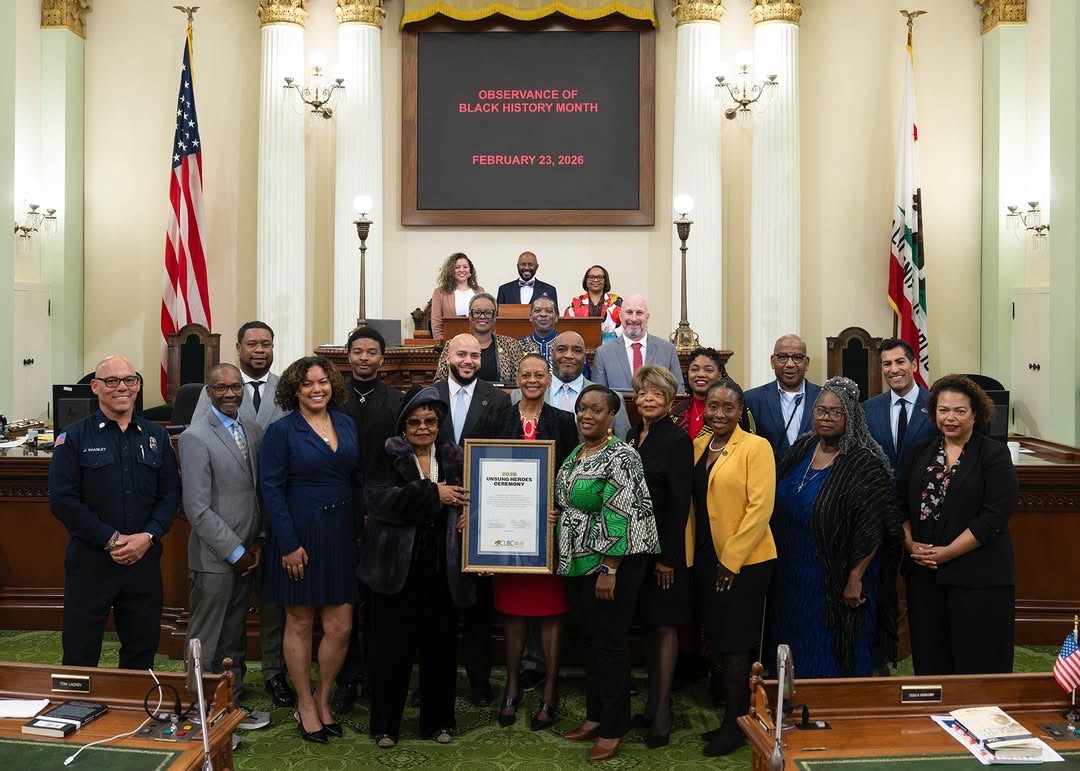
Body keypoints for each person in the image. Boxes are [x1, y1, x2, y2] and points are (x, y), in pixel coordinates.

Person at [361, 386, 476, 747]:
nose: (423, 428)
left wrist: (469, 516)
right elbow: (381, 502)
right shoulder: (386, 454)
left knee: (440, 648)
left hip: (443, 566)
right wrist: (432, 494)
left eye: (430, 421)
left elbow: (474, 498)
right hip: (395, 566)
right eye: (415, 422)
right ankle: (385, 725)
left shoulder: (456, 456)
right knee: (390, 650)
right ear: (403, 426)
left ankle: (438, 722)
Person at [768, 377, 903, 681]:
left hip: (836, 578)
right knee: (791, 643)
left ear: (851, 416)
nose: (825, 418)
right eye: (820, 411)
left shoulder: (864, 462)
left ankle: (834, 707)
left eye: (835, 412)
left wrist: (855, 578)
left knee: (830, 649)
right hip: (791, 573)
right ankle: (789, 701)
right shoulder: (801, 448)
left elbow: (874, 527)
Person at [49, 356, 178, 670]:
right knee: (80, 653)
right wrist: (111, 540)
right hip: (92, 561)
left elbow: (170, 497)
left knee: (141, 650)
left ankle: (133, 716)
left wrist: (147, 537)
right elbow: (63, 501)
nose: (122, 387)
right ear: (95, 387)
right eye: (112, 381)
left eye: (129, 380)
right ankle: (77, 712)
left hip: (143, 561)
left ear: (137, 386)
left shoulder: (157, 437)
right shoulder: (73, 437)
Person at [260, 356, 364, 743]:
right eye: (307, 384)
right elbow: (270, 490)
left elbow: (357, 480)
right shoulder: (281, 431)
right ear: (295, 390)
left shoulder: (346, 424)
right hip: (299, 535)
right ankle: (304, 704)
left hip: (341, 536)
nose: (316, 389)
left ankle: (323, 698)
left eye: (322, 382)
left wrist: (360, 531)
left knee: (341, 625)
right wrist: (287, 544)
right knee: (300, 622)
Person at [190, 320, 293, 709]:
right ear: (238, 348)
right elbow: (200, 442)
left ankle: (274, 673)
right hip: (225, 532)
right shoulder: (215, 389)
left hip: (269, 523)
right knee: (223, 622)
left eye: (266, 343)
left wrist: (266, 532)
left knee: (273, 609)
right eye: (252, 344)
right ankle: (225, 688)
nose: (260, 350)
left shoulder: (285, 388)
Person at [556, 385, 658, 763]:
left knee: (611, 645)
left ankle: (614, 727)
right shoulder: (580, 451)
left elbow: (623, 512)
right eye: (582, 408)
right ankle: (595, 716)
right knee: (590, 642)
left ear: (611, 415)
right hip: (579, 561)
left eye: (595, 410)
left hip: (611, 563)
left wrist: (609, 568)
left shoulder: (622, 455)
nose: (586, 415)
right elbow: (570, 499)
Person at [901, 374, 1018, 676]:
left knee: (977, 664)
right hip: (925, 577)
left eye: (959, 411)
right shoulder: (919, 451)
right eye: (943, 410)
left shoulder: (993, 454)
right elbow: (899, 503)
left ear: (976, 414)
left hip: (978, 578)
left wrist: (948, 553)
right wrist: (909, 542)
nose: (950, 417)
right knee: (931, 663)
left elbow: (994, 516)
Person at [179, 363, 269, 730]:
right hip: (216, 556)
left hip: (249, 550)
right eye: (221, 388)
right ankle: (200, 711)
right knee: (207, 637)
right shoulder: (195, 437)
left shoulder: (253, 429)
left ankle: (229, 705)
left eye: (236, 387)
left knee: (234, 635)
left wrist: (259, 540)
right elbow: (197, 509)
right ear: (209, 392)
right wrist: (235, 551)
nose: (231, 393)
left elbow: (257, 492)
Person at [491, 354, 578, 732]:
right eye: (525, 374)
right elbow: (482, 467)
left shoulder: (564, 420)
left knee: (550, 613)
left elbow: (575, 471)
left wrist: (560, 508)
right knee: (513, 611)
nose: (531, 380)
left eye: (538, 374)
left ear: (548, 378)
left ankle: (549, 690)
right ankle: (511, 685)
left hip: (549, 534)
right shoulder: (500, 419)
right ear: (515, 378)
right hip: (508, 532)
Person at [690, 378, 776, 756]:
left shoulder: (756, 447)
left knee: (738, 644)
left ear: (741, 411)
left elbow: (760, 509)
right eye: (713, 406)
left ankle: (736, 725)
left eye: (728, 407)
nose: (719, 414)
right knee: (720, 642)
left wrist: (732, 561)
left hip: (744, 561)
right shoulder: (697, 445)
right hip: (707, 557)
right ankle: (732, 717)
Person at [433, 333, 511, 705]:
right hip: (432, 517)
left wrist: (477, 511)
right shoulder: (427, 395)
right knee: (437, 606)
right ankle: (437, 682)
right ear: (449, 355)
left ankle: (479, 681)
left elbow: (502, 461)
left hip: (478, 519)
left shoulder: (497, 399)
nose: (468, 360)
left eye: (475, 355)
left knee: (479, 607)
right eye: (462, 353)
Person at [332, 326, 403, 714]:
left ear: (382, 357)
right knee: (344, 602)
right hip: (338, 507)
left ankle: (377, 677)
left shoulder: (396, 400)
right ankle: (347, 676)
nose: (364, 358)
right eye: (357, 352)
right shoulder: (332, 397)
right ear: (348, 355)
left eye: (371, 352)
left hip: (383, 510)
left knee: (378, 601)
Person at [625, 366, 693, 749]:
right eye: (643, 393)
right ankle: (651, 702)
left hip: (665, 553)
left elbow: (681, 502)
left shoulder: (676, 439)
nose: (648, 399)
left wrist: (669, 557)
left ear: (670, 401)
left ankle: (664, 710)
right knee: (648, 625)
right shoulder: (635, 436)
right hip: (637, 550)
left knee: (665, 626)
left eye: (656, 393)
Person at [537, 331, 630, 440]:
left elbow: (624, 444)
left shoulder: (613, 399)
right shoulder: (521, 396)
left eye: (577, 351)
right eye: (562, 349)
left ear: (584, 357)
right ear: (552, 354)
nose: (568, 356)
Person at [864, 337, 937, 478]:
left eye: (900, 362)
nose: (894, 369)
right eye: (887, 364)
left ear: (914, 365)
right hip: (881, 494)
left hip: (923, 494)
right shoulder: (869, 408)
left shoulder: (935, 405)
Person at [744, 334, 821, 462]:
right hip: (769, 478)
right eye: (783, 357)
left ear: (806, 363)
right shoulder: (751, 400)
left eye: (797, 357)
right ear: (772, 361)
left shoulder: (824, 397)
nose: (790, 364)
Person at [434, 293, 534, 384]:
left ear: (495, 317)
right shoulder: (453, 344)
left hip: (500, 402)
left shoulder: (510, 344)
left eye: (488, 312)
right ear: (470, 316)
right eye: (477, 312)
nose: (482, 316)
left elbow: (520, 382)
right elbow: (439, 382)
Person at [592, 294, 685, 392]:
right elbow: (598, 396)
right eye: (629, 312)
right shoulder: (603, 353)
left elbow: (678, 392)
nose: (633, 318)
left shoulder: (667, 350)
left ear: (647, 317)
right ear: (620, 316)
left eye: (639, 313)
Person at [672, 347, 725, 439]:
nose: (700, 374)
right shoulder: (676, 411)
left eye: (708, 370)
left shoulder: (730, 410)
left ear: (719, 376)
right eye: (694, 369)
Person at [430, 252, 483, 340]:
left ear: (470, 270)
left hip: (477, 342)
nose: (462, 270)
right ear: (451, 271)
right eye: (457, 267)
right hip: (450, 342)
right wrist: (444, 345)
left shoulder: (480, 291)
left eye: (465, 267)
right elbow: (436, 324)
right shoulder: (439, 293)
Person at [563, 265, 622, 334]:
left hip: (611, 342)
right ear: (586, 280)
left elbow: (624, 324)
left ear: (605, 281)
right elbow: (567, 326)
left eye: (600, 277)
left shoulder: (616, 301)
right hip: (581, 342)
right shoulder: (575, 302)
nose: (595, 280)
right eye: (591, 277)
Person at [519, 295, 560, 365]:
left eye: (549, 311)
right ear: (531, 317)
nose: (543, 314)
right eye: (537, 311)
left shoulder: (565, 344)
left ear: (556, 317)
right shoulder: (519, 345)